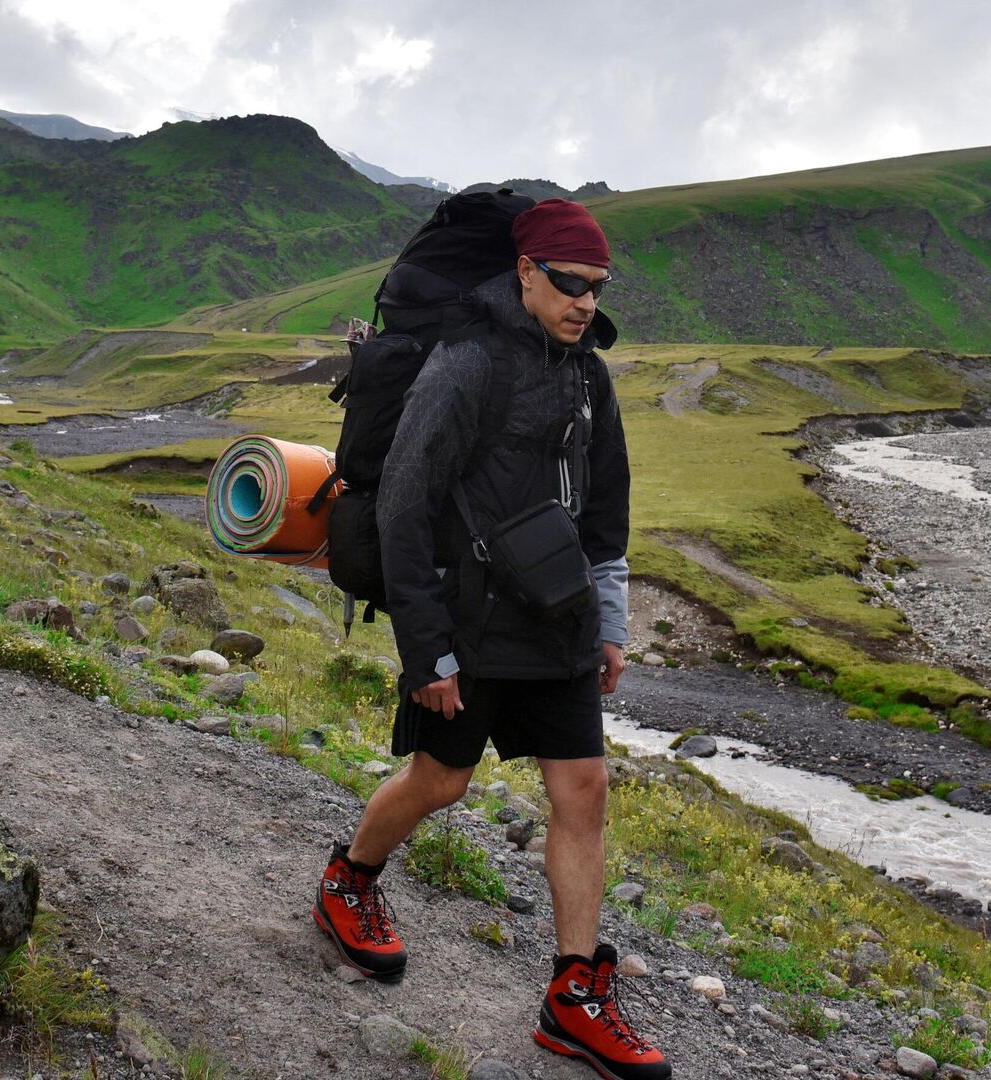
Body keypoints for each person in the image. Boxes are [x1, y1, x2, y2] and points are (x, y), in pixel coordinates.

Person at [312, 199, 670, 1080]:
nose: (586, 303)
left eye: (598, 288)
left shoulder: (592, 378)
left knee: (583, 792)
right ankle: (349, 880)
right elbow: (403, 504)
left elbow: (606, 507)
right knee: (440, 781)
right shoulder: (466, 363)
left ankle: (572, 997)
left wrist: (611, 622)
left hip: (560, 624)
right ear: (525, 272)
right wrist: (426, 650)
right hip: (469, 623)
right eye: (570, 284)